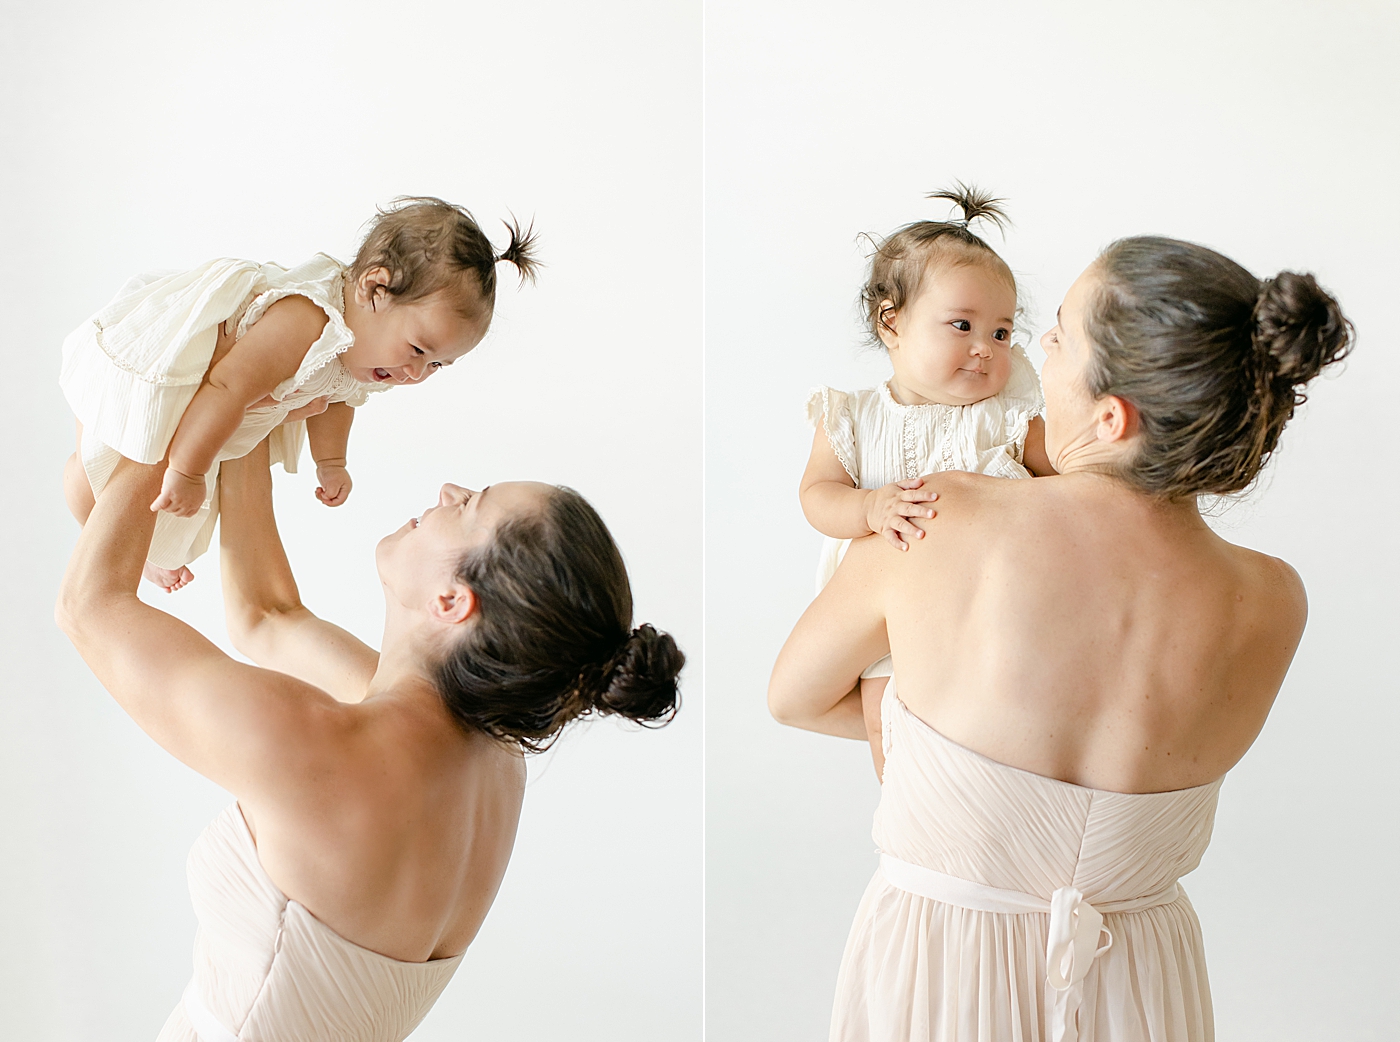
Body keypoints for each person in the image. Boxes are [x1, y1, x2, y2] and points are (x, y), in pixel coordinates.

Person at [770, 235, 1352, 1042]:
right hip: (1145, 985)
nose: (1036, 343)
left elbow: (793, 697)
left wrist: (917, 730)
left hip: (945, 975)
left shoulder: (941, 517)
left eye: (1062, 333)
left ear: (1111, 416)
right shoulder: (1275, 600)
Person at [55, 432, 683, 1042]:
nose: (448, 491)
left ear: (450, 600)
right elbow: (267, 616)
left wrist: (165, 415)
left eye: (468, 505)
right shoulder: (493, 755)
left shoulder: (327, 753)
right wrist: (246, 419)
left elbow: (89, 607)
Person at [60, 196, 536, 592]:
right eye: (417, 349)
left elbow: (340, 397)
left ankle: (141, 555)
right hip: (170, 370)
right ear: (375, 287)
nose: (417, 372)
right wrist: (189, 470)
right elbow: (226, 385)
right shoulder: (306, 320)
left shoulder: (365, 352)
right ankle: (111, 538)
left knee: (159, 518)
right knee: (94, 480)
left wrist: (331, 462)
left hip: (212, 412)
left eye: (436, 364)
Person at [800, 184, 1051, 774]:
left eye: (1000, 332)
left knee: (1004, 728)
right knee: (890, 735)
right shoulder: (852, 416)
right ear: (892, 324)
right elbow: (817, 496)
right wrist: (868, 510)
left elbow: (1063, 490)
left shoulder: (1013, 418)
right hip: (880, 621)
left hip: (995, 609)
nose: (986, 349)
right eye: (961, 325)